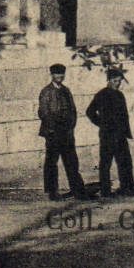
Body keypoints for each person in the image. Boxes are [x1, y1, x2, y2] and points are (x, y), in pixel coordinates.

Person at [85, 67, 134, 197]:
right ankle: (105, 191)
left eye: (119, 81)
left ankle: (126, 188)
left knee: (125, 161)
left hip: (120, 134)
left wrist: (125, 131)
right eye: (115, 81)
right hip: (108, 135)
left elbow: (124, 115)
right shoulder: (101, 94)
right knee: (106, 162)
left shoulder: (120, 95)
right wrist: (102, 124)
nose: (118, 84)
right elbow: (90, 111)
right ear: (109, 80)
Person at [38, 63, 87, 201]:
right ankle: (52, 192)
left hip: (66, 133)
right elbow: (43, 112)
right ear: (52, 75)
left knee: (72, 161)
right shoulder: (46, 92)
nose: (59, 76)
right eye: (56, 73)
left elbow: (73, 110)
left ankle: (77, 190)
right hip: (53, 132)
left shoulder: (66, 90)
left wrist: (71, 126)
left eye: (61, 74)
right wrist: (53, 129)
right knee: (52, 163)